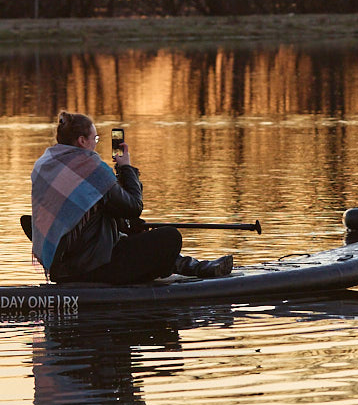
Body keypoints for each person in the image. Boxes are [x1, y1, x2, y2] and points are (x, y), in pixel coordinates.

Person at [30, 111, 235, 284]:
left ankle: (196, 267)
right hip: (93, 269)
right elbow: (134, 206)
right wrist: (126, 167)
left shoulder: (45, 166)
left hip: (63, 268)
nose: (96, 143)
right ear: (82, 141)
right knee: (170, 237)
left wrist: (127, 223)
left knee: (134, 228)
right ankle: (196, 268)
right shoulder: (90, 170)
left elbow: (101, 211)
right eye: (95, 139)